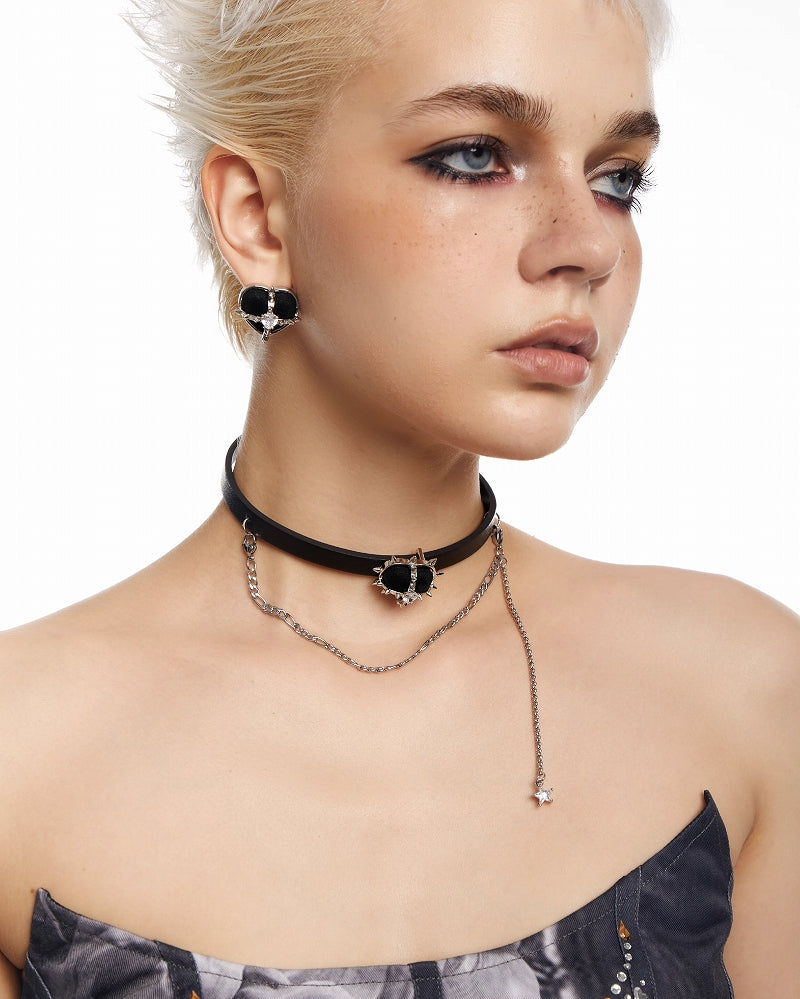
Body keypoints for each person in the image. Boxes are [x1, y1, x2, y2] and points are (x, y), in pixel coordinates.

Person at [0, 0, 797, 996]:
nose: (585, 246)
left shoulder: (744, 688)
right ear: (257, 216)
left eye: (616, 179)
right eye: (473, 157)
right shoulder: (21, 755)